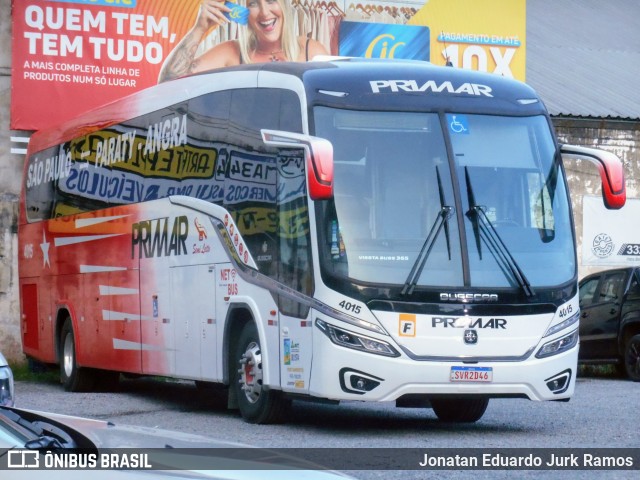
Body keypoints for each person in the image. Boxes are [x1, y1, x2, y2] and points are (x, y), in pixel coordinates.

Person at [158, 0, 329, 82]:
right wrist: (199, 29)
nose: (264, 13)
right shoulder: (231, 52)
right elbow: (167, 82)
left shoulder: (311, 51)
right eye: (253, 3)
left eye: (271, 1)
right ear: (243, 12)